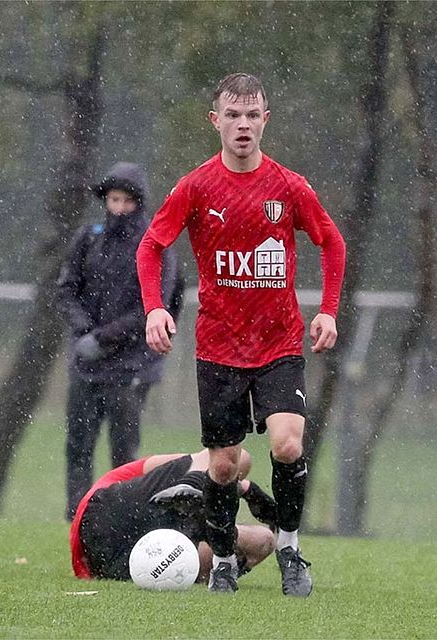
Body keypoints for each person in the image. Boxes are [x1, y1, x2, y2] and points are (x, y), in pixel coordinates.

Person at [136, 73, 346, 596]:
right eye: (233, 115)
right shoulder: (196, 186)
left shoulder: (289, 186)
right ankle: (225, 558)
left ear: (265, 120)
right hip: (219, 346)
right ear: (216, 122)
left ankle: (291, 552)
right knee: (225, 464)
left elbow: (333, 243)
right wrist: (154, 309)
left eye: (253, 115)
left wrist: (329, 310)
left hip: (278, 343)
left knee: (287, 443)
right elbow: (150, 247)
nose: (243, 125)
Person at [57, 162, 180, 520]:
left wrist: (105, 338)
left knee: (123, 452)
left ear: (139, 202)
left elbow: (154, 305)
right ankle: (77, 517)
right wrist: (83, 332)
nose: (120, 208)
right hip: (85, 364)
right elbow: (67, 288)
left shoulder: (156, 245)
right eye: (114, 199)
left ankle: (120, 519)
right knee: (77, 447)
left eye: (127, 200)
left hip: (131, 367)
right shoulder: (89, 237)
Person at [70, 448, 278, 582]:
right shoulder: (132, 478)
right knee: (239, 456)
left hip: (113, 563)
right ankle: (194, 492)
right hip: (108, 518)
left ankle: (199, 514)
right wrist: (247, 490)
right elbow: (211, 458)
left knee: (265, 540)